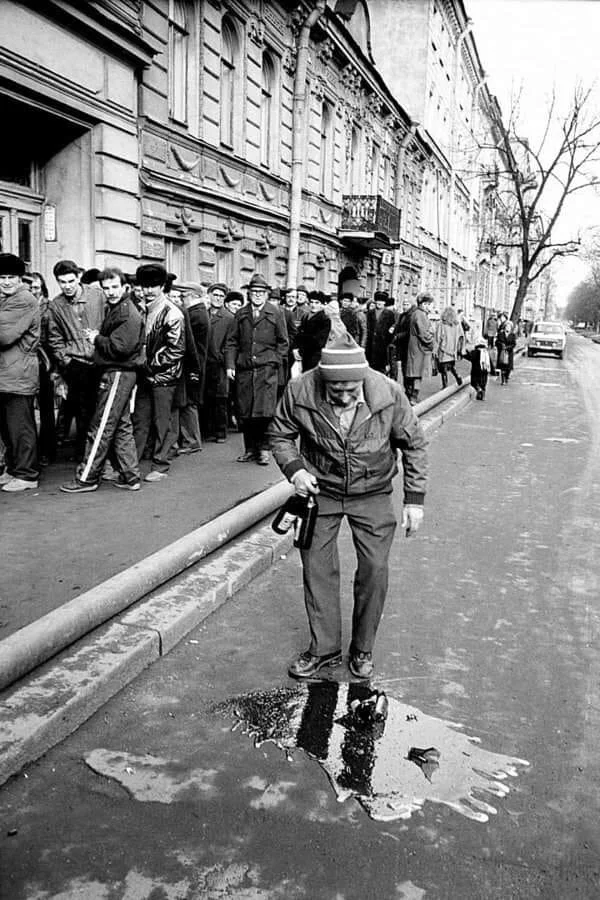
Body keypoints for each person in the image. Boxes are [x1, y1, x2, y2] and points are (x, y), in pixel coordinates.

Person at [269, 331, 428, 680]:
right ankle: (324, 649)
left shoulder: (388, 393)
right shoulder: (299, 390)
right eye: (335, 391)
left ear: (363, 379)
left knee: (374, 569)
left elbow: (414, 444)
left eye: (350, 391)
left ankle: (362, 648)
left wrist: (414, 501)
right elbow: (280, 435)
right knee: (316, 567)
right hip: (320, 491)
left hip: (372, 492)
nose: (342, 397)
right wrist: (295, 471)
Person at [60, 267, 145, 493]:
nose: (110, 292)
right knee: (121, 426)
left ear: (124, 286)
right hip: (121, 373)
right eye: (106, 288)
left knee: (101, 427)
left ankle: (87, 478)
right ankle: (131, 476)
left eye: (114, 287)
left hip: (117, 372)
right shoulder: (122, 308)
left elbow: (120, 348)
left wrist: (96, 338)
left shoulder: (126, 312)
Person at [46, 259, 105, 461]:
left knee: (101, 411)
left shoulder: (97, 296)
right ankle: (83, 456)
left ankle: (100, 456)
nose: (67, 286)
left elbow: (109, 323)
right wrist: (66, 362)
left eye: (71, 281)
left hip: (100, 360)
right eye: (62, 282)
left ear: (79, 277)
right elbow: (54, 339)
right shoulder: (56, 305)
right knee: (82, 414)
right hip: (76, 364)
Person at [226, 273, 288, 465]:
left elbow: (283, 342)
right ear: (249, 294)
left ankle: (263, 449)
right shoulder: (241, 314)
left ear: (267, 295)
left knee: (263, 413)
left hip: (266, 371)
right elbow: (231, 341)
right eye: (254, 292)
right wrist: (230, 364)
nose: (258, 295)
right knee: (246, 412)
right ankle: (250, 449)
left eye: (261, 292)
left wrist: (274, 361)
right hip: (245, 370)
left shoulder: (276, 313)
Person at [132, 263, 185, 482]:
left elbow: (177, 350)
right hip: (146, 374)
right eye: (145, 286)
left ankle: (161, 464)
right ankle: (130, 464)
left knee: (163, 422)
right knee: (140, 420)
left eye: (154, 286)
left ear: (162, 286)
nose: (149, 290)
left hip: (165, 377)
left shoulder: (172, 313)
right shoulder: (142, 308)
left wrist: (149, 363)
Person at [0, 253, 41, 492]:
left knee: (20, 427)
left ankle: (27, 474)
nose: (6, 282)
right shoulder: (6, 299)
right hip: (7, 375)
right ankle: (14, 469)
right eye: (2, 277)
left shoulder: (23, 299)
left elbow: (4, 336)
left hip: (18, 374)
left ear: (20, 278)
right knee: (7, 428)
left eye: (11, 277)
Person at [28, 272, 56, 465]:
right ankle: (33, 451)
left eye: (36, 287)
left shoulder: (49, 307)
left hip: (45, 361)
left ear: (42, 288)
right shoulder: (21, 305)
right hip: (28, 362)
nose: (33, 291)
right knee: (27, 409)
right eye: (30, 287)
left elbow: (53, 338)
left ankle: (47, 450)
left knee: (46, 409)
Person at [204, 281, 236, 443]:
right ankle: (207, 430)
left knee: (221, 398)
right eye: (215, 295)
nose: (217, 298)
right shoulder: (204, 313)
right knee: (206, 397)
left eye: (221, 296)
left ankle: (220, 432)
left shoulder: (229, 317)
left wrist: (222, 357)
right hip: (204, 362)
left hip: (220, 363)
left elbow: (231, 342)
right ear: (209, 295)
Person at [396, 292, 435, 405]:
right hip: (419, 349)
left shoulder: (418, 313)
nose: (431, 307)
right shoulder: (420, 315)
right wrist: (432, 341)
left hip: (416, 348)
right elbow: (424, 334)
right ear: (424, 304)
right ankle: (413, 397)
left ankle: (411, 396)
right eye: (430, 304)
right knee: (417, 374)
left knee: (414, 373)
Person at [293, 291, 331, 372]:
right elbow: (299, 334)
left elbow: (319, 341)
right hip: (304, 354)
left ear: (322, 304)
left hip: (315, 355)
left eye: (317, 303)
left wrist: (301, 349)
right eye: (312, 302)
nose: (313, 305)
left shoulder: (324, 319)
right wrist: (296, 348)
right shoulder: (306, 316)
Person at [434, 307, 463, 389]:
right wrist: (459, 349)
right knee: (452, 366)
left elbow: (438, 337)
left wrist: (435, 350)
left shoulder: (441, 324)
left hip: (444, 350)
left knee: (443, 369)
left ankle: (445, 385)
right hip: (453, 350)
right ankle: (458, 377)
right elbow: (461, 336)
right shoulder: (457, 324)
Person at [496, 315, 516, 385]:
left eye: (509, 327)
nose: (508, 328)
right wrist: (501, 345)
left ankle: (507, 376)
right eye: (507, 326)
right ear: (505, 327)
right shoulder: (500, 334)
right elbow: (497, 342)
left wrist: (508, 347)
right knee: (502, 367)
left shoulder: (512, 335)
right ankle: (503, 380)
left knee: (508, 368)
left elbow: (514, 344)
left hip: (509, 353)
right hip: (502, 352)